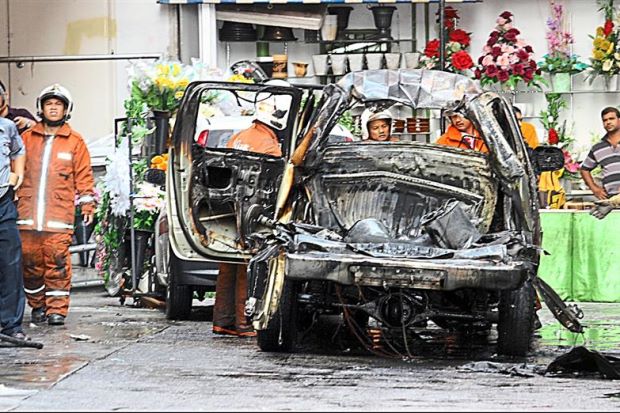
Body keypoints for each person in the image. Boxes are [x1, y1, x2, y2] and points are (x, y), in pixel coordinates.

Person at [213, 81, 291, 337]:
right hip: (253, 214)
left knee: (228, 265)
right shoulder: (270, 146)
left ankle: (222, 320)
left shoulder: (240, 137)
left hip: (230, 210)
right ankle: (244, 323)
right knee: (250, 265)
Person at [16, 84, 95, 326]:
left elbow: (83, 175)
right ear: (40, 108)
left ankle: (57, 310)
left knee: (57, 262)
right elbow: (13, 170)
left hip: (58, 217)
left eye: (58, 104)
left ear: (66, 109)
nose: (53, 108)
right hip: (27, 215)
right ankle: (38, 305)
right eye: (49, 104)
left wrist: (87, 205)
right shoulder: (26, 139)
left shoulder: (75, 141)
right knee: (28, 263)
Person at [0, 116, 27, 340]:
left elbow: (18, 150)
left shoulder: (7, 127)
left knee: (11, 263)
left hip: (3, 203)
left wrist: (17, 175)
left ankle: (11, 326)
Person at [580, 106, 620, 201]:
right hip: (610, 200)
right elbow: (584, 169)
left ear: (619, 120)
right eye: (605, 120)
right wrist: (594, 188)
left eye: (611, 118)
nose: (608, 122)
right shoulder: (598, 148)